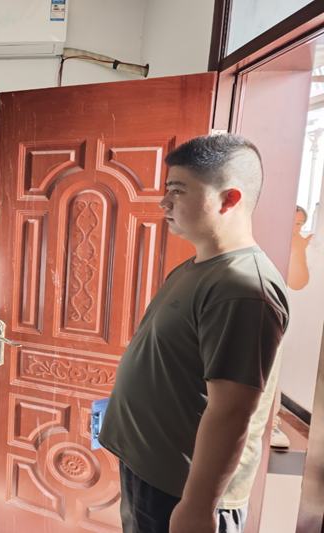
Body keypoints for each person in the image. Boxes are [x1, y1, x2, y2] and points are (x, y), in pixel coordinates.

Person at [98, 134, 290, 533]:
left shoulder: (242, 288)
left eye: (177, 191)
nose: (164, 203)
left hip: (182, 491)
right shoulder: (199, 267)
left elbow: (232, 412)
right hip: (151, 470)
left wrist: (198, 506)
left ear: (229, 199)